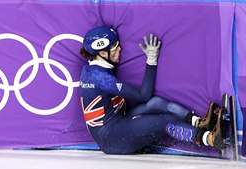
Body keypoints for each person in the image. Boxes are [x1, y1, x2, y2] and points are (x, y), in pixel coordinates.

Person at [79, 26, 225, 154]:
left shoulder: (92, 69)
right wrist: (151, 60)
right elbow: (143, 95)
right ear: (103, 54)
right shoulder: (100, 79)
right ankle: (210, 139)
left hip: (115, 127)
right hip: (114, 140)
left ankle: (200, 123)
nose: (120, 49)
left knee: (156, 103)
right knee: (165, 122)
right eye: (115, 47)